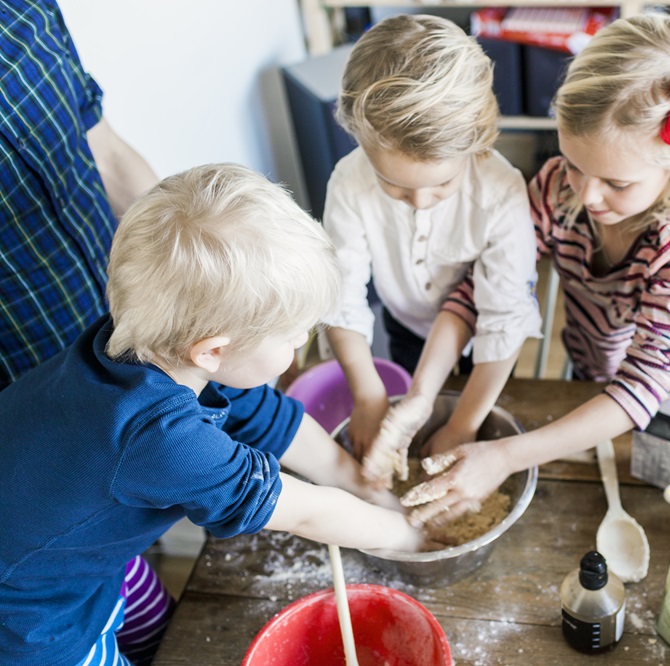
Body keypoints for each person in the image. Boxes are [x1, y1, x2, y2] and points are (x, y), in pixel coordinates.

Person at [0, 164, 422, 666]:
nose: (300, 345)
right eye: (294, 337)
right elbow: (309, 512)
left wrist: (361, 482)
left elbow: (272, 419)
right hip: (33, 619)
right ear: (212, 351)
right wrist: (409, 535)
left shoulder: (155, 340)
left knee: (161, 634)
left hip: (79, 552)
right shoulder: (160, 438)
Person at [400, 12, 670, 524]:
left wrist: (503, 455)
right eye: (573, 163)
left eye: (616, 182)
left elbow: (644, 384)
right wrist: (425, 397)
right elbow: (482, 289)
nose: (587, 195)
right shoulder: (555, 188)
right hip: (592, 376)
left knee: (663, 507)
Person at [320, 14, 540, 483]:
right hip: (405, 326)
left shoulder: (500, 193)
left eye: (442, 184)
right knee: (412, 436)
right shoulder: (349, 181)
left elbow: (504, 320)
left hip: (490, 351)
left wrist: (463, 425)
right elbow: (340, 297)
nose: (419, 201)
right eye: (393, 185)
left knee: (477, 430)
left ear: (476, 144)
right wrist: (367, 394)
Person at [1, 0, 159, 391]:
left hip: (131, 317)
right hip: (30, 384)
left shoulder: (26, 8)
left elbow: (107, 153)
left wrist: (194, 264)